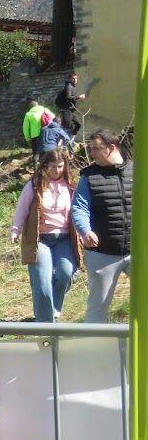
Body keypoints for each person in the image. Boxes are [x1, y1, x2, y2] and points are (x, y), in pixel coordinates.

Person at [10, 147, 82, 322]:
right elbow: (23, 209)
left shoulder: (71, 184)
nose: (56, 171)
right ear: (44, 166)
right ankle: (44, 322)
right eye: (52, 166)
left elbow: (81, 209)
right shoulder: (34, 185)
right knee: (42, 282)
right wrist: (16, 230)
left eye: (60, 166)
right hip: (40, 239)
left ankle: (54, 308)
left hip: (64, 237)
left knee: (66, 273)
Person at [71, 129, 133, 323]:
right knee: (97, 307)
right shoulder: (89, 177)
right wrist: (85, 230)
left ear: (111, 148)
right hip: (102, 253)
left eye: (95, 149)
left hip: (137, 251)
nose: (91, 154)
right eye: (89, 149)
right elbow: (79, 208)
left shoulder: (138, 170)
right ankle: (94, 348)